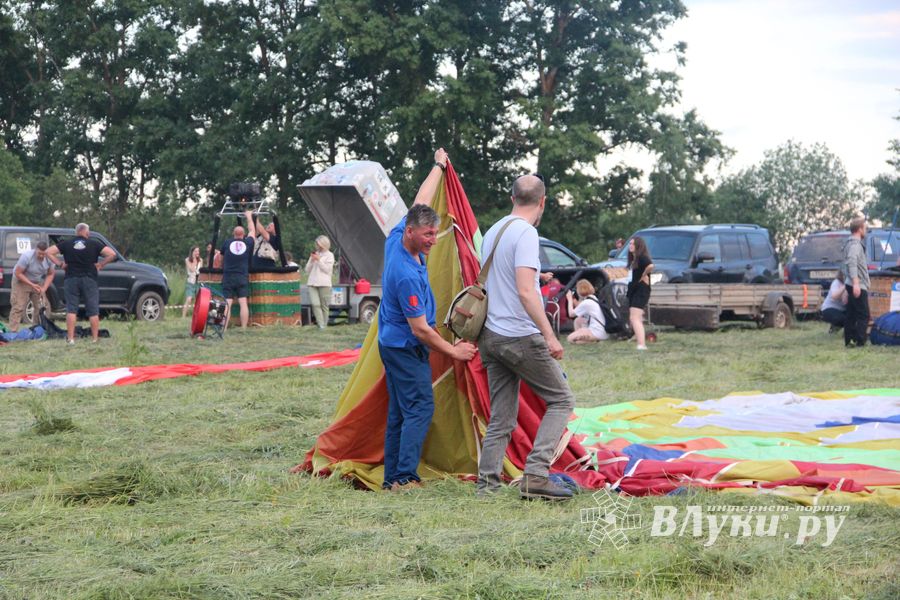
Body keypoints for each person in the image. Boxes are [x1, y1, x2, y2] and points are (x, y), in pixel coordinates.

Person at [379, 148, 477, 492]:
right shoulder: (405, 273)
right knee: (420, 407)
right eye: (428, 236)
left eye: (435, 234)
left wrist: (438, 165)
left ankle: (392, 478)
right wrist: (454, 352)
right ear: (410, 232)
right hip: (405, 348)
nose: (434, 241)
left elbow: (420, 200)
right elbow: (420, 329)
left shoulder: (397, 238)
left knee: (399, 412)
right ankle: (405, 477)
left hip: (391, 344)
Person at [476, 174, 576, 501]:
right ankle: (536, 475)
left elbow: (500, 279)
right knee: (561, 400)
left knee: (501, 417)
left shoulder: (494, 231)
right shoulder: (527, 233)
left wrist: (536, 278)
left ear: (512, 198)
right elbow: (524, 291)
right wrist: (550, 335)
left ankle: (487, 486)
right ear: (543, 201)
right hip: (519, 335)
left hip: (490, 335)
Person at [46, 223, 116, 344]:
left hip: (71, 279)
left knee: (71, 310)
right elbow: (112, 254)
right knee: (93, 310)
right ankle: (95, 339)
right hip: (89, 279)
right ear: (87, 232)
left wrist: (61, 264)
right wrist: (101, 264)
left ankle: (71, 339)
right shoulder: (94, 243)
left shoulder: (67, 243)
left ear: (76, 232)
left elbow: (48, 252)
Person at [219, 212, 256, 329]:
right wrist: (249, 216)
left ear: (233, 234)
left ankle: (224, 328)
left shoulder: (227, 243)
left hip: (228, 277)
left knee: (227, 303)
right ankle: (244, 328)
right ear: (243, 234)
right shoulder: (247, 243)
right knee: (243, 303)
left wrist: (222, 268)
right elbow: (252, 231)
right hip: (242, 277)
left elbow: (221, 258)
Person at [9, 241, 56, 332]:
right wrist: (32, 285)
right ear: (35, 250)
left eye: (43, 254)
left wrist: (44, 288)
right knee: (18, 306)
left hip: (37, 281)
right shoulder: (27, 256)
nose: (41, 256)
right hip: (21, 280)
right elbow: (18, 273)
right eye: (39, 253)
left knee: (41, 306)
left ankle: (37, 329)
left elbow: (50, 274)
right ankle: (13, 331)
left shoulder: (50, 258)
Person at [841, 217, 869, 347]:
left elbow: (844, 266)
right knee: (863, 314)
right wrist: (856, 283)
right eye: (865, 228)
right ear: (859, 229)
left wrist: (848, 285)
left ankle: (849, 341)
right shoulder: (855, 245)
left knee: (851, 314)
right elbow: (852, 262)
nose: (866, 231)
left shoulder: (848, 243)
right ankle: (860, 342)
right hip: (858, 284)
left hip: (850, 282)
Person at [627, 236, 654, 350]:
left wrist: (644, 275)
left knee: (635, 318)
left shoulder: (642, 258)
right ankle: (638, 338)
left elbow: (651, 265)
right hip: (634, 289)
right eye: (630, 244)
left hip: (641, 290)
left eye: (633, 244)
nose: (630, 246)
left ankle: (642, 344)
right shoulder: (634, 260)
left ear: (638, 245)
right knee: (634, 317)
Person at [305, 235, 335, 329]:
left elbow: (327, 270)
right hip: (312, 283)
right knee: (315, 304)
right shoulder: (315, 254)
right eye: (316, 244)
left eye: (319, 244)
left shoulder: (330, 255)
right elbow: (307, 270)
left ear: (324, 244)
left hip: (324, 283)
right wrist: (311, 260)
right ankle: (320, 324)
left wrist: (319, 260)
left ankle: (324, 325)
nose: (317, 246)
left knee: (324, 305)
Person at [565, 279, 609, 343]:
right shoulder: (594, 299)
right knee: (578, 320)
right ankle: (589, 339)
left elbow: (571, 314)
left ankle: (593, 340)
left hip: (597, 332)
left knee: (570, 339)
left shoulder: (586, 302)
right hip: (603, 331)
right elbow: (580, 310)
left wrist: (569, 299)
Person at [182, 246, 202, 318]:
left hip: (198, 282)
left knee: (198, 300)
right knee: (189, 299)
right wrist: (194, 260)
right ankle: (183, 316)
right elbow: (192, 270)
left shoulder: (201, 260)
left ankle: (196, 316)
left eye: (198, 251)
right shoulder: (187, 260)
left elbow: (201, 271)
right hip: (190, 282)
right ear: (192, 252)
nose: (197, 253)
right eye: (195, 251)